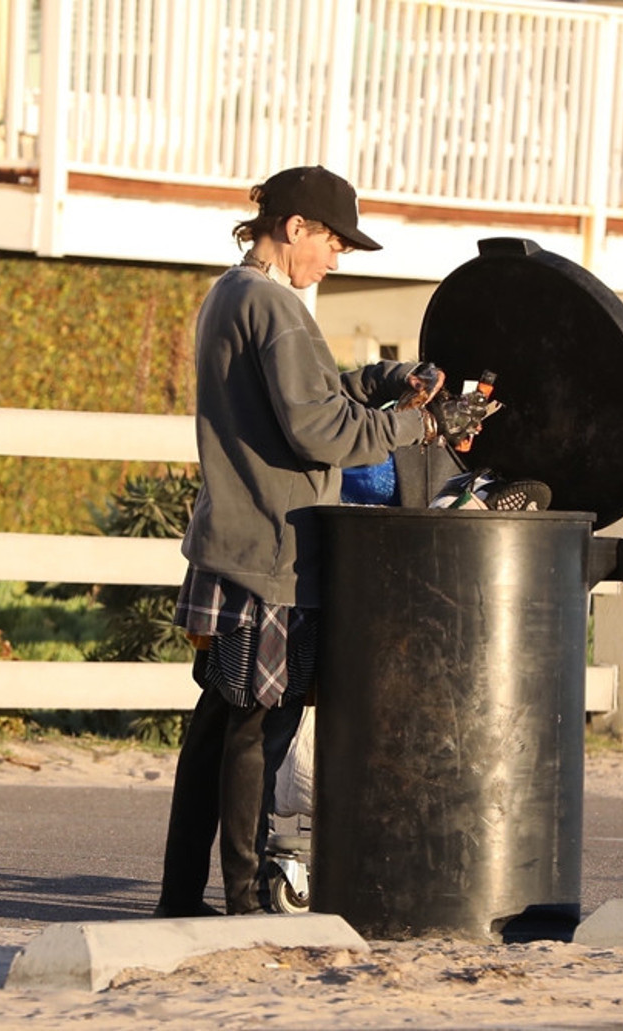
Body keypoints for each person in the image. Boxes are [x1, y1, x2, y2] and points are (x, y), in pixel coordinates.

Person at [155, 165, 453, 918]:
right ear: (295, 228)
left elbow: (313, 395)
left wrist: (384, 380)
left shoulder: (230, 294)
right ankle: (248, 900)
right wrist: (416, 424)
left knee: (218, 724)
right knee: (263, 723)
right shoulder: (277, 306)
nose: (337, 258)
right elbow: (319, 429)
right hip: (273, 551)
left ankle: (180, 897)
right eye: (333, 242)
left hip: (230, 541)